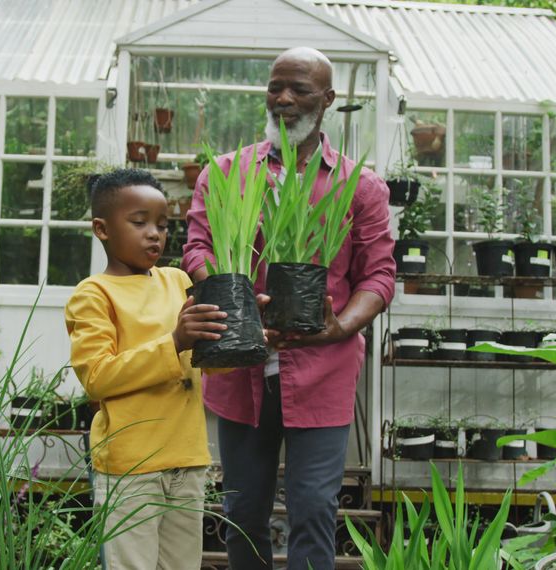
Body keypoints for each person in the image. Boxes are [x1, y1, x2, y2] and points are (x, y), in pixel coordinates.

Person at [181, 47, 396, 569]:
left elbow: (379, 276)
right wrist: (234, 303)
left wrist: (337, 326)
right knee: (242, 509)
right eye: (275, 86)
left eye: (298, 89)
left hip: (323, 370)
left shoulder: (358, 185)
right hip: (241, 368)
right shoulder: (227, 174)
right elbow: (197, 247)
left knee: (314, 508)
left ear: (327, 99)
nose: (282, 98)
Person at [65, 168, 228, 570]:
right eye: (139, 223)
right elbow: (98, 378)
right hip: (131, 468)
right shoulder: (94, 294)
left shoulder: (177, 281)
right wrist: (173, 342)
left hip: (187, 460)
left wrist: (247, 330)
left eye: (162, 224)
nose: (154, 233)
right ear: (101, 229)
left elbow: (204, 364)